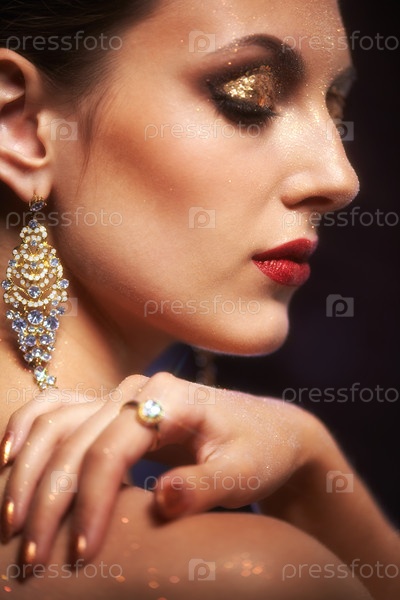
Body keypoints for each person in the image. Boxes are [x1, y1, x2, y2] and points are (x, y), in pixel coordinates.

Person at [0, 1, 398, 598]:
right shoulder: (240, 573)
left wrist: (313, 468)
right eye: (249, 97)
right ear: (24, 125)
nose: (340, 179)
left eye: (334, 106)